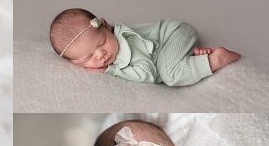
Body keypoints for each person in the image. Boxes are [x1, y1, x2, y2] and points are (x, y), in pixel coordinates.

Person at [49, 8, 240, 86]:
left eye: (101, 43)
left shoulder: (126, 42)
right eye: (88, 58)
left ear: (106, 26)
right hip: (168, 48)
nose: (100, 55)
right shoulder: (109, 48)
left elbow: (147, 73)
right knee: (168, 65)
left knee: (170, 76)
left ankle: (216, 59)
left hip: (175, 34)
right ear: (77, 63)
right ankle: (192, 56)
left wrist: (112, 70)